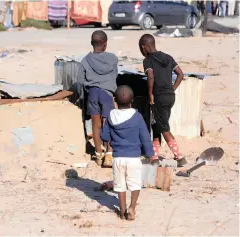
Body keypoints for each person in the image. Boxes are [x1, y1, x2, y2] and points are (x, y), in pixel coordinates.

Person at [101, 85, 154, 220]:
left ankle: (122, 211)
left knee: (120, 185)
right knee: (135, 184)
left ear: (115, 100)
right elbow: (145, 137)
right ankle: (132, 208)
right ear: (133, 100)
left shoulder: (110, 116)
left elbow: (104, 137)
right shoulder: (137, 117)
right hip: (134, 158)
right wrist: (150, 153)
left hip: (118, 158)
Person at [138, 34, 187, 167]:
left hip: (158, 97)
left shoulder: (148, 60)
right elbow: (180, 74)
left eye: (141, 49)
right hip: (170, 96)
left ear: (144, 47)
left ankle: (179, 157)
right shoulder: (168, 57)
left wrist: (150, 94)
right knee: (157, 125)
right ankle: (154, 157)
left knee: (163, 127)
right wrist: (172, 89)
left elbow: (151, 76)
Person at [77, 30, 118, 167]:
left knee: (96, 124)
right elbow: (115, 76)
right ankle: (109, 155)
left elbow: (80, 81)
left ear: (91, 43)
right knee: (109, 124)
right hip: (107, 94)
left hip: (93, 93)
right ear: (105, 45)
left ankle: (98, 153)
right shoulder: (112, 59)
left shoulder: (85, 60)